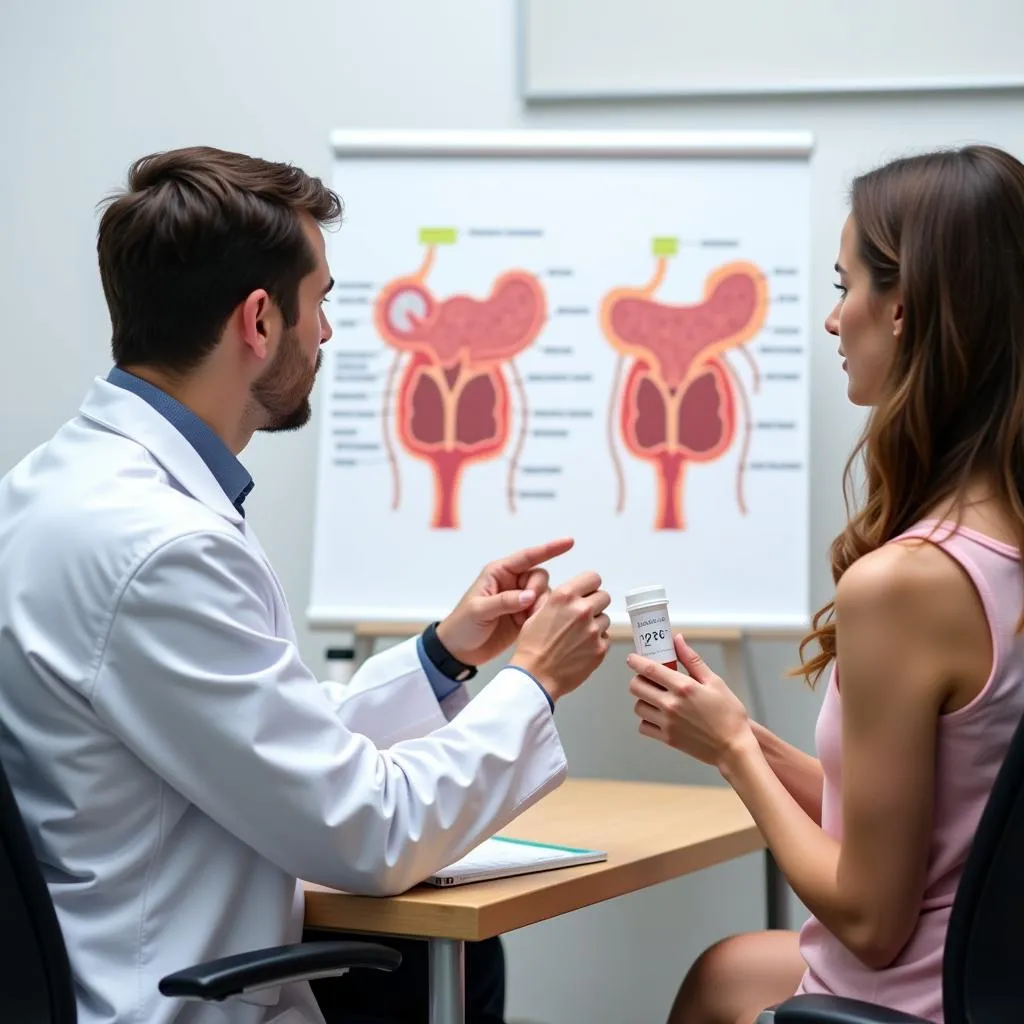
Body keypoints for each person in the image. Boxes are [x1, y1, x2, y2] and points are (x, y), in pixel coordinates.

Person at [0, 146, 612, 1024]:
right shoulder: (160, 544)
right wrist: (535, 682)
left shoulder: (58, 489)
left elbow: (263, 734)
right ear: (258, 320)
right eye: (320, 302)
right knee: (452, 966)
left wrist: (443, 655)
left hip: (119, 960)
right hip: (171, 997)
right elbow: (370, 832)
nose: (326, 333)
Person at [626, 143, 1024, 1024]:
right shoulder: (1001, 547)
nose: (833, 320)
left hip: (915, 999)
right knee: (725, 972)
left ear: (905, 312)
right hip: (990, 983)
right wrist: (739, 731)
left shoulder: (907, 586)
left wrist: (732, 755)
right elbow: (933, 818)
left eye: (846, 288)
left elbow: (872, 921)